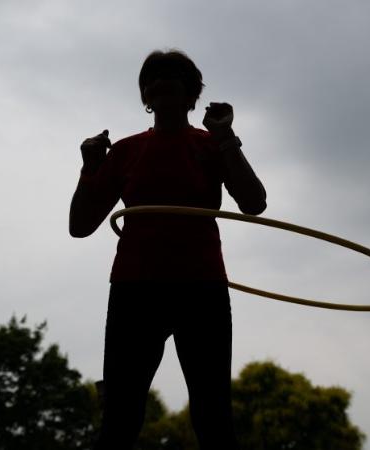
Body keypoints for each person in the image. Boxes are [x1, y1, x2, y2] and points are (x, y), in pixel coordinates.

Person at [69, 49, 266, 450]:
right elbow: (80, 226)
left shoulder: (211, 145)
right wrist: (89, 167)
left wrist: (226, 136)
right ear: (145, 94)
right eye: (153, 76)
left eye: (172, 75)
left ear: (191, 93)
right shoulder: (126, 150)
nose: (160, 82)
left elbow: (254, 202)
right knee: (120, 416)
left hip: (201, 289)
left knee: (213, 416)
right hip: (135, 290)